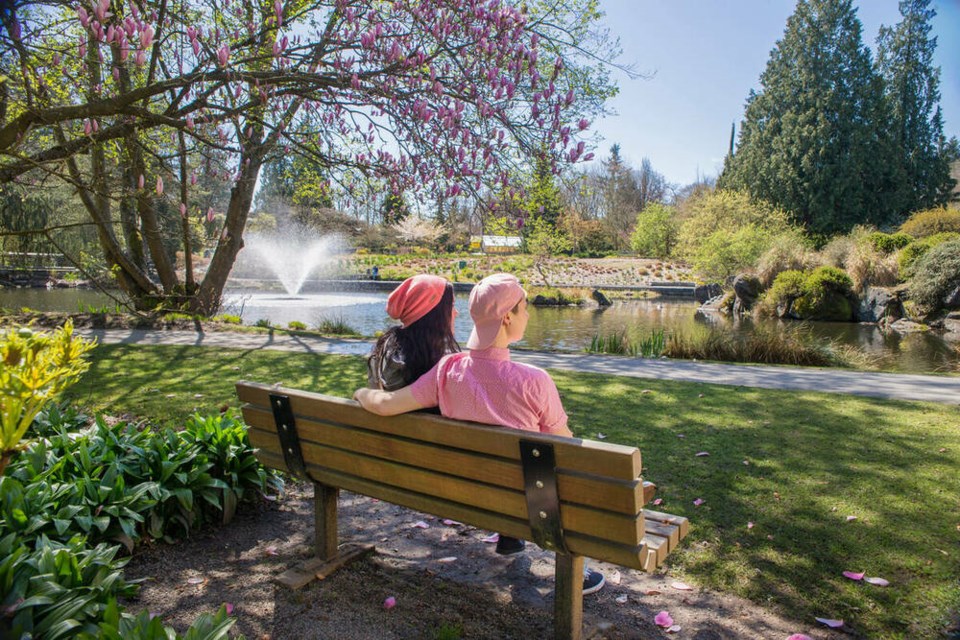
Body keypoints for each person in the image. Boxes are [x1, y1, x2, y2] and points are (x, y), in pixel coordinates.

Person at [354, 273, 605, 595]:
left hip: (466, 492)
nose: (528, 315)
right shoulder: (535, 381)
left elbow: (387, 404)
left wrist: (361, 393)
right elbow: (570, 450)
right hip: (531, 502)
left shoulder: (447, 369)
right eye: (524, 308)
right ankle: (575, 572)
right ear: (507, 317)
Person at [367, 274, 459, 391]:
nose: (456, 312)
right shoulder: (444, 369)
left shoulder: (384, 350)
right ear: (432, 314)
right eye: (451, 305)